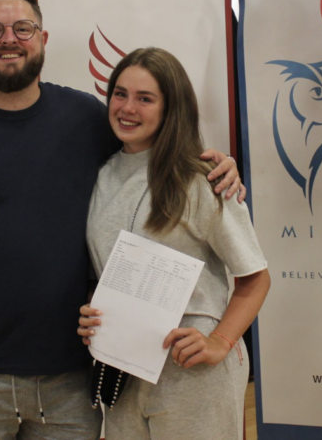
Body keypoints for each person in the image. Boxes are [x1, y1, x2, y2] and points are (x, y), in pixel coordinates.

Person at [0, 0, 243, 440]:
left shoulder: (86, 117)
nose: (9, 38)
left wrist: (211, 162)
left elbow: (151, 148)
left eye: (22, 27)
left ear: (43, 39)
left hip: (73, 371)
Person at [78, 47, 270, 440]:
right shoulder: (101, 174)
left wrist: (220, 341)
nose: (128, 107)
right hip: (122, 370)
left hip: (192, 374)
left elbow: (256, 279)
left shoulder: (203, 180)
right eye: (120, 94)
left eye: (145, 99)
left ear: (171, 108)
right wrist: (93, 315)